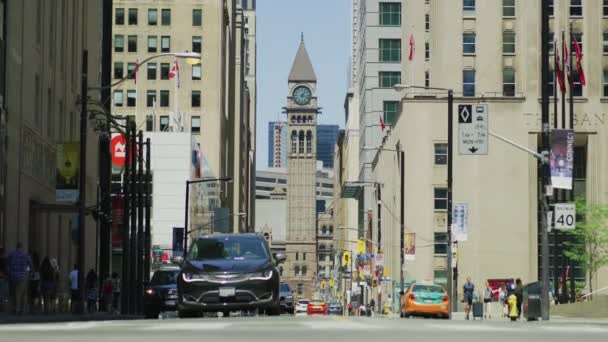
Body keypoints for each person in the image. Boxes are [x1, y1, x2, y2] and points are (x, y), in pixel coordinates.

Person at [8, 243, 33, 315]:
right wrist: (30, 273)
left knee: (13, 294)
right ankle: (21, 309)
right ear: (22, 247)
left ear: (16, 247)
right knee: (22, 293)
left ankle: (15, 308)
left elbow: (7, 265)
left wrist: (10, 272)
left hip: (13, 277)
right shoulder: (26, 255)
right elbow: (31, 265)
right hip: (23, 277)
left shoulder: (11, 254)